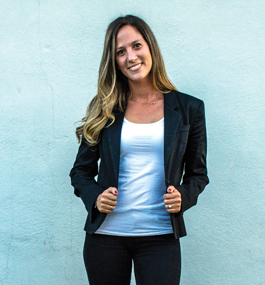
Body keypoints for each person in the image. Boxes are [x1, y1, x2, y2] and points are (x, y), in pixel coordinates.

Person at [70, 15, 209, 285]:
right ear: (114, 62)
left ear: (150, 48)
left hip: (160, 238)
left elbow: (198, 175)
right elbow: (80, 172)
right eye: (120, 52)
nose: (131, 57)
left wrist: (183, 196)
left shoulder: (189, 109)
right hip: (105, 238)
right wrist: (97, 197)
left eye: (136, 46)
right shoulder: (105, 108)